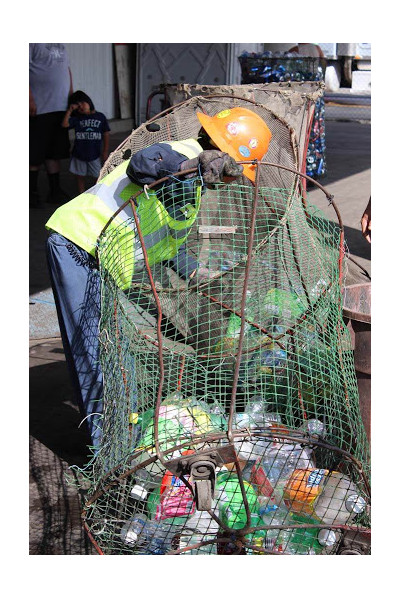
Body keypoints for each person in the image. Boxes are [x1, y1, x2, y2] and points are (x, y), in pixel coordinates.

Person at [45, 107, 272, 448]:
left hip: (104, 262)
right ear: (226, 156)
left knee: (112, 353)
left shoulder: (194, 189)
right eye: (237, 171)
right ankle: (110, 450)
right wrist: (195, 165)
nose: (234, 180)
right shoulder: (180, 154)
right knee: (96, 352)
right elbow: (143, 165)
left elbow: (170, 245)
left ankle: (118, 436)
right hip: (81, 243)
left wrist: (200, 273)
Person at [29, 43, 73, 208]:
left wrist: (71, 94)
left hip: (60, 107)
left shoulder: (61, 43)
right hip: (39, 107)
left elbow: (66, 69)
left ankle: (55, 191)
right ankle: (30, 193)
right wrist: (29, 98)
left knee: (54, 152)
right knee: (35, 152)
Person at [62, 90, 110, 194]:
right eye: (78, 107)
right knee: (80, 175)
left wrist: (105, 151)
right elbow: (65, 125)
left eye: (83, 103)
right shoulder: (77, 118)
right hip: (79, 153)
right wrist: (69, 111)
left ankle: (97, 194)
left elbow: (106, 133)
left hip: (94, 153)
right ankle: (81, 193)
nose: (81, 107)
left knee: (97, 176)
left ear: (89, 101)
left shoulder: (100, 117)